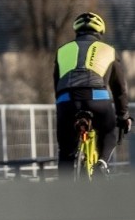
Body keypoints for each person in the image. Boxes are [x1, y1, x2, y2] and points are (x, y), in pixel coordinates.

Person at [54, 12, 131, 175]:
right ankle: (102, 163)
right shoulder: (109, 50)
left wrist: (62, 107)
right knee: (108, 132)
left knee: (66, 149)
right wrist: (123, 116)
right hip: (97, 98)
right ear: (99, 32)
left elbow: (57, 83)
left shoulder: (62, 51)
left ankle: (63, 192)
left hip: (66, 100)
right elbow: (119, 89)